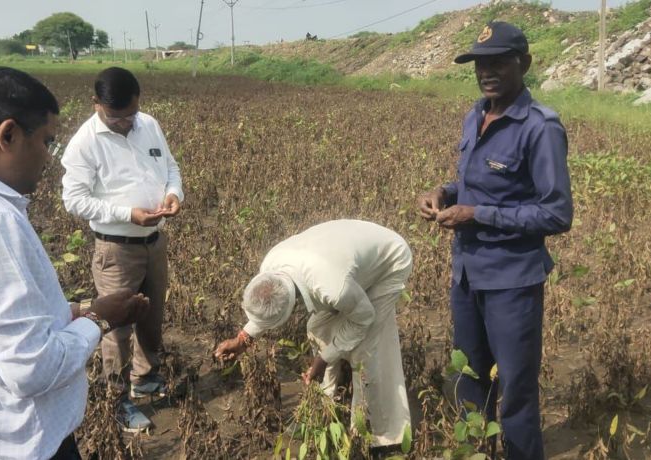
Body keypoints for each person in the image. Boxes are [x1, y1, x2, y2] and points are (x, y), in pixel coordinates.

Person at [0, 67, 146, 460]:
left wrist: (74, 311)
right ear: (9, 135)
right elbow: (32, 369)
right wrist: (99, 319)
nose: (49, 158)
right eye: (46, 141)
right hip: (18, 445)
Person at [417, 22, 573, 460]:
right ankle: (478, 452)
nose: (486, 72)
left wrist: (477, 214)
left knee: (516, 389)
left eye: (498, 62)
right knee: (469, 378)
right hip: (467, 274)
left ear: (524, 63)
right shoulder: (476, 114)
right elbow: (477, 184)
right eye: (480, 64)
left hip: (512, 281)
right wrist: (444, 193)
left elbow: (556, 213)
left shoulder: (540, 127)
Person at [215, 220, 413, 449]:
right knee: (318, 328)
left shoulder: (333, 288)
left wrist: (324, 358)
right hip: (345, 254)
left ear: (291, 307)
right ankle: (323, 407)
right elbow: (267, 306)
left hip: (390, 259)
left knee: (364, 352)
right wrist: (243, 339)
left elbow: (364, 318)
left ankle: (375, 435)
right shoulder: (270, 266)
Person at [60, 67, 184, 431]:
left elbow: (170, 167)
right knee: (116, 328)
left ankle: (145, 377)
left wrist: (173, 193)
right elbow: (74, 200)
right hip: (116, 249)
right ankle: (117, 400)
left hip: (154, 242)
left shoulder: (149, 124)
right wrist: (128, 214)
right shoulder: (84, 143)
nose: (126, 123)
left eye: (132, 114)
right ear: (96, 104)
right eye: (117, 118)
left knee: (151, 315)